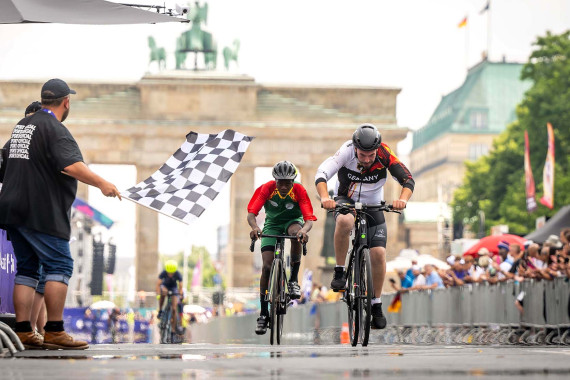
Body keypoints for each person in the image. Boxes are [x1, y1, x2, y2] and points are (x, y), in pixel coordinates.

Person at [0, 79, 122, 350]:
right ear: (66, 102)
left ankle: (22, 331)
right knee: (60, 265)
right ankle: (54, 330)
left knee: (28, 269)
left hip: (12, 210)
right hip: (40, 212)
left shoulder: (21, 128)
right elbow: (71, 165)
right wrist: (102, 183)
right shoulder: (54, 129)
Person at [315, 123, 414, 329]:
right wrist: (325, 197)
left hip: (374, 204)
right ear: (355, 148)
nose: (367, 159)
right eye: (362, 155)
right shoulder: (346, 152)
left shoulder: (385, 153)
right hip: (345, 199)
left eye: (371, 155)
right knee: (344, 221)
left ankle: (376, 304)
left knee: (378, 254)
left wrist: (402, 200)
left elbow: (407, 179)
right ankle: (340, 271)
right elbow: (322, 173)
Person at [247, 160, 316, 335]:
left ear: (293, 181)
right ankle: (263, 314)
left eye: (288, 183)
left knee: (296, 234)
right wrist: (255, 228)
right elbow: (251, 214)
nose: (284, 186)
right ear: (275, 181)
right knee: (267, 267)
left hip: (293, 222)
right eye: (281, 182)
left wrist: (304, 231)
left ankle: (293, 280)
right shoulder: (267, 188)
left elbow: (308, 219)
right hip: (272, 224)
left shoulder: (299, 190)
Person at [156, 259, 184, 334]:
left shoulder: (178, 274)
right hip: (165, 286)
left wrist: (180, 295)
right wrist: (158, 294)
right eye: (169, 273)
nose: (170, 274)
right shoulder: (163, 273)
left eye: (172, 273)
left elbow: (180, 287)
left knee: (174, 309)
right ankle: (160, 310)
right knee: (163, 292)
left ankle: (173, 328)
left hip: (173, 288)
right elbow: (158, 284)